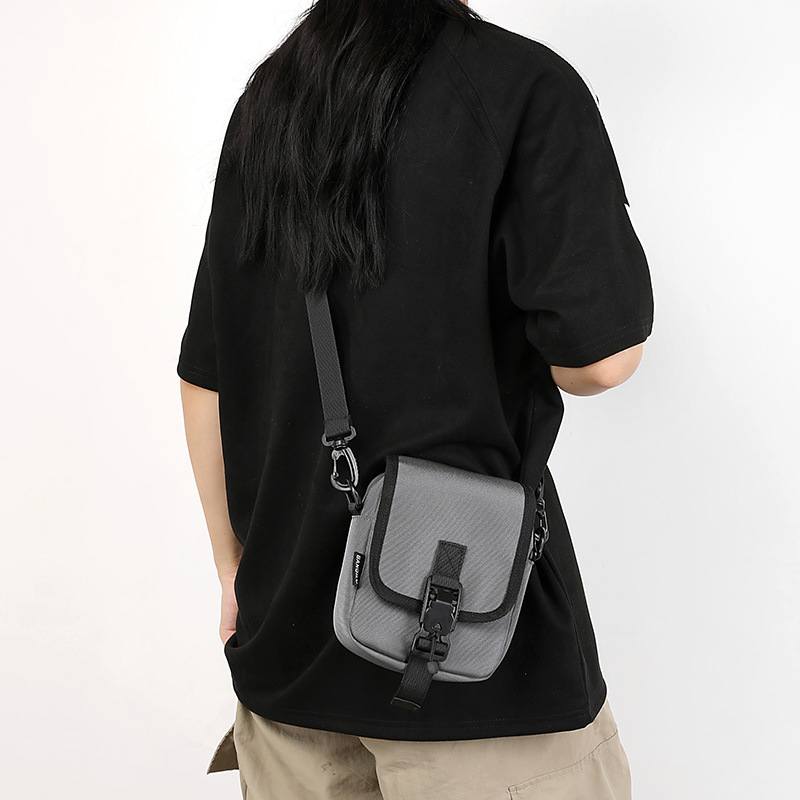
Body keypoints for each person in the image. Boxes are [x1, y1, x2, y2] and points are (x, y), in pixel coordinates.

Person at [177, 0, 654, 797]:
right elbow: (601, 362)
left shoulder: (272, 99)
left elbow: (206, 376)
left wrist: (234, 569)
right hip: (484, 672)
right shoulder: (525, 88)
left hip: (291, 658)